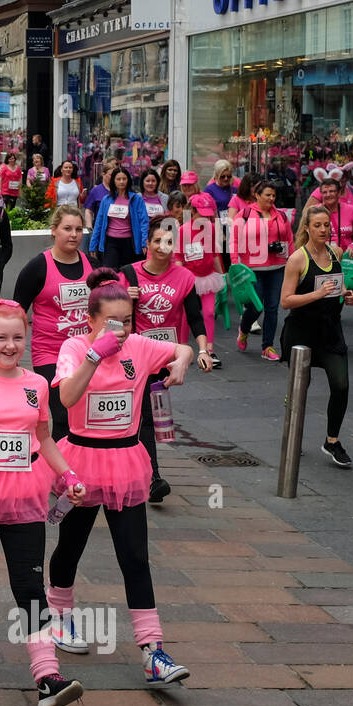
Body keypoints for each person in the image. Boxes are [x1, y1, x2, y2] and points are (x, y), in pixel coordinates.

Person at [48, 268, 194, 686]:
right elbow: (67, 397)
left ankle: (153, 651)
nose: (121, 330)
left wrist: (181, 361)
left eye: (127, 321)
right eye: (112, 322)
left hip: (127, 463)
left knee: (134, 557)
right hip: (82, 459)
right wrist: (97, 354)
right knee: (70, 546)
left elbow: (178, 348)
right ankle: (58, 614)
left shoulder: (139, 347)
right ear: (91, 320)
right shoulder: (74, 347)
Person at [0, 297, 87, 706]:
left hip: (25, 490)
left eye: (18, 337)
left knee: (28, 584)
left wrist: (68, 475)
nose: (10, 345)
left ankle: (47, 675)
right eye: (1, 337)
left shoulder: (37, 384)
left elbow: (43, 438)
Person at [120, 215, 214, 502]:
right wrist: (126, 296)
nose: (163, 246)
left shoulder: (184, 277)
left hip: (165, 357)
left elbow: (195, 317)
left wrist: (202, 350)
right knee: (144, 417)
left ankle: (138, 470)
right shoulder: (129, 273)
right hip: (134, 356)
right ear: (147, 244)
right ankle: (152, 478)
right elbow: (107, 313)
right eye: (158, 241)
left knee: (144, 418)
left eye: (169, 241)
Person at [280, 206, 353, 468]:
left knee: (341, 385)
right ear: (307, 228)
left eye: (327, 225)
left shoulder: (335, 252)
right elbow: (286, 301)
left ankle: (332, 441)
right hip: (301, 331)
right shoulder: (297, 259)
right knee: (300, 389)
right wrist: (317, 294)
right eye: (318, 225)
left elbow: (337, 283)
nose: (324, 229)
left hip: (330, 330)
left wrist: (346, 294)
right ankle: (293, 436)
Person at [13, 205, 96, 441]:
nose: (73, 235)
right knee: (62, 416)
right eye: (67, 228)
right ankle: (62, 474)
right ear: (54, 231)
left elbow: (106, 307)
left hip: (85, 354)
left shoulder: (92, 265)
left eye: (79, 229)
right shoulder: (37, 267)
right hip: (50, 354)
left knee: (82, 416)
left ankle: (79, 467)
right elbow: (16, 312)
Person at [234, 180, 293, 361]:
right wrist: (235, 265)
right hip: (253, 268)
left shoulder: (281, 216)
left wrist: (292, 259)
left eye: (274, 195)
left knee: (273, 307)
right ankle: (244, 329)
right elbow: (235, 241)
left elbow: (290, 239)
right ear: (257, 195)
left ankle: (267, 347)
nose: (271, 198)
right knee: (255, 305)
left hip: (277, 267)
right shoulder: (244, 215)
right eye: (267, 195)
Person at [176, 192, 226, 370]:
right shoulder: (183, 230)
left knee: (209, 312)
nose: (205, 218)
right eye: (202, 214)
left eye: (208, 215)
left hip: (208, 277)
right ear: (193, 211)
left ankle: (209, 350)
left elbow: (214, 255)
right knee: (185, 315)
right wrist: (180, 279)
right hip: (189, 278)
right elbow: (178, 257)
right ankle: (182, 348)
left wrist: (223, 277)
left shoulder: (211, 229)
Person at [89, 167, 148, 270]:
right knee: (109, 273)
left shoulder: (136, 199)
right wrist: (93, 244)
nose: (121, 182)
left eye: (124, 179)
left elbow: (144, 222)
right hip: (110, 242)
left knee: (129, 273)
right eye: (118, 179)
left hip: (130, 242)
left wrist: (144, 242)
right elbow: (99, 223)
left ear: (128, 180)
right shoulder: (106, 200)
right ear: (113, 181)